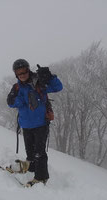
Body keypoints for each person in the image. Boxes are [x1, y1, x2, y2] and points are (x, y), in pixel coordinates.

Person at [6, 59, 63, 187]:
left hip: (41, 124)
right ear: (16, 74)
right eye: (19, 73)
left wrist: (50, 77)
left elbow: (58, 87)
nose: (22, 75)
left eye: (24, 71)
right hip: (26, 124)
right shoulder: (16, 87)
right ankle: (30, 169)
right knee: (30, 152)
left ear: (28, 69)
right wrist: (18, 98)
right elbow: (11, 103)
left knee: (39, 152)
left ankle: (41, 177)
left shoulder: (39, 81)